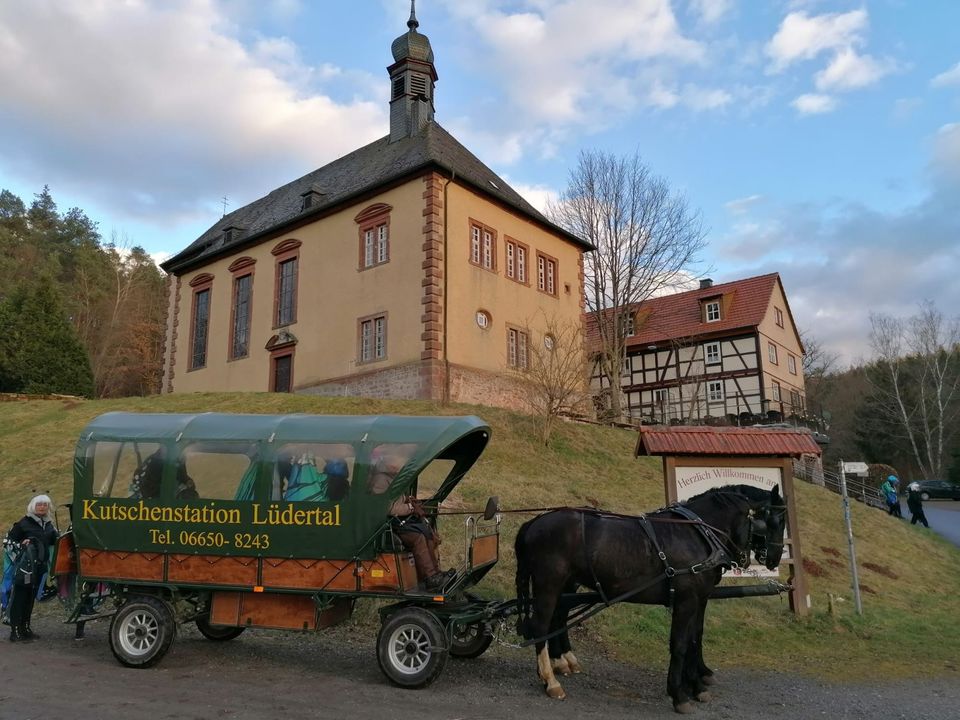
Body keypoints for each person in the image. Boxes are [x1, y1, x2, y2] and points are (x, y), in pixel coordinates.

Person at [6, 495, 58, 642]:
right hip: (25, 568)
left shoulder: (48, 525)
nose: (42, 507)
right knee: (19, 597)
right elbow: (9, 541)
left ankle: (26, 627)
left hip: (40, 567)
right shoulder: (24, 523)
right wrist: (22, 543)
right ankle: (15, 631)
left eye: (45, 504)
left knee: (30, 598)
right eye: (39, 504)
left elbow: (55, 540)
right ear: (33, 506)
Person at [390, 494, 454, 591]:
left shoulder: (391, 480)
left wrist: (408, 499)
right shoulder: (380, 481)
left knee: (427, 533)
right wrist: (410, 507)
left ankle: (436, 573)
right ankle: (430, 578)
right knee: (418, 538)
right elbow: (390, 509)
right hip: (393, 525)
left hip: (402, 522)